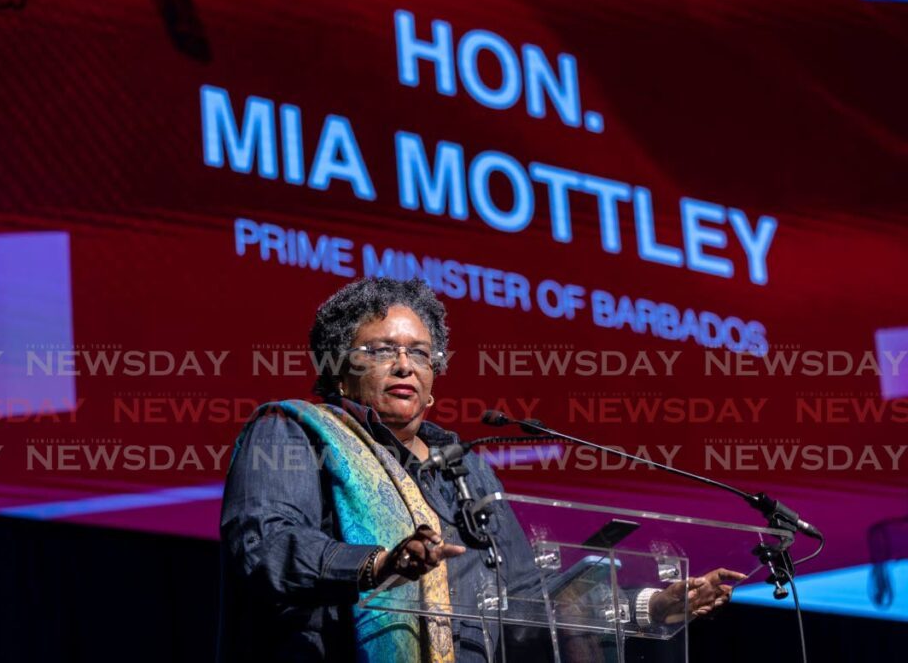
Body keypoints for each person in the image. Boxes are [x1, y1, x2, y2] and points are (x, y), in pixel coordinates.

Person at [217, 277, 742, 662]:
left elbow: (526, 603)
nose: (405, 365)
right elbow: (266, 546)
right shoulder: (295, 430)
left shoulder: (465, 472)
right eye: (381, 350)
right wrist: (381, 563)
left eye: (420, 353)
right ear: (338, 365)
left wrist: (650, 605)